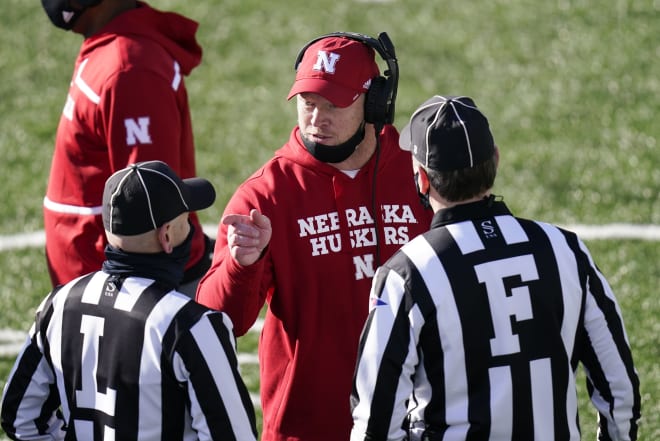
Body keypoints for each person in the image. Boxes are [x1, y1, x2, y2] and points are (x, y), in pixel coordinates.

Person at [350, 95, 641, 441]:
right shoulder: (565, 248)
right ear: (496, 161)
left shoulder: (407, 273)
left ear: (422, 179)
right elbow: (620, 390)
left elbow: (375, 420)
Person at [196, 32, 434, 440]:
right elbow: (218, 321)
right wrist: (240, 266)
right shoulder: (265, 194)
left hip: (413, 420)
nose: (316, 119)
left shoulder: (420, 173)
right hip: (309, 427)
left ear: (375, 103)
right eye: (308, 103)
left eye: (334, 105)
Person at [1, 160, 258, 441]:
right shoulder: (191, 326)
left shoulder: (59, 304)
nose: (193, 229)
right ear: (167, 236)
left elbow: (20, 418)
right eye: (186, 220)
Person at [40, 0, 213, 296]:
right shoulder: (112, 49)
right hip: (102, 283)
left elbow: (147, 200)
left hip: (123, 295)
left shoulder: (128, 69)